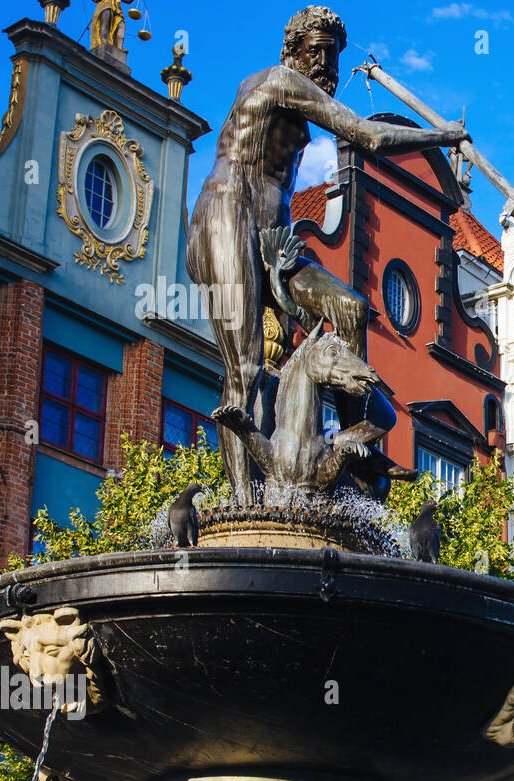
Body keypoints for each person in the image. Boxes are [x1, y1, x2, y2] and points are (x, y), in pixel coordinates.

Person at [187, 6, 470, 501]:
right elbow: (370, 136)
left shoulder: (297, 95)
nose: (326, 67)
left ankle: (354, 457)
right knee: (247, 367)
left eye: (334, 57)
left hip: (275, 231)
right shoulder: (279, 81)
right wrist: (444, 134)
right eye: (316, 52)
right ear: (291, 53)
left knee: (350, 308)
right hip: (227, 214)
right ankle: (244, 506)